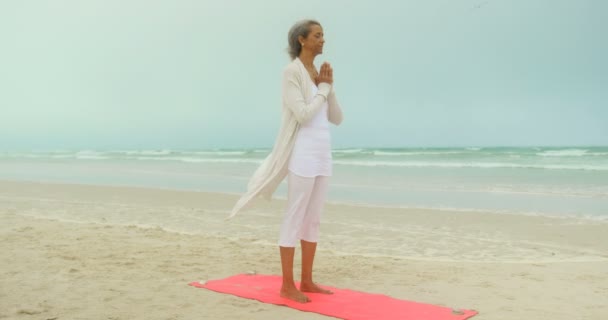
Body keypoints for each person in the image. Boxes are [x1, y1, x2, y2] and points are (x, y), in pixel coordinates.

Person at [228, 19, 343, 303]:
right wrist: (323, 90)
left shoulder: (317, 73)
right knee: (295, 215)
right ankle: (287, 285)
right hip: (302, 153)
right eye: (318, 35)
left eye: (323, 35)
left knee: (313, 218)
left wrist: (329, 87)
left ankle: (307, 280)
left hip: (322, 154)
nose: (323, 40)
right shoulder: (291, 72)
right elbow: (303, 115)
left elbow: (336, 118)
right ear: (302, 40)